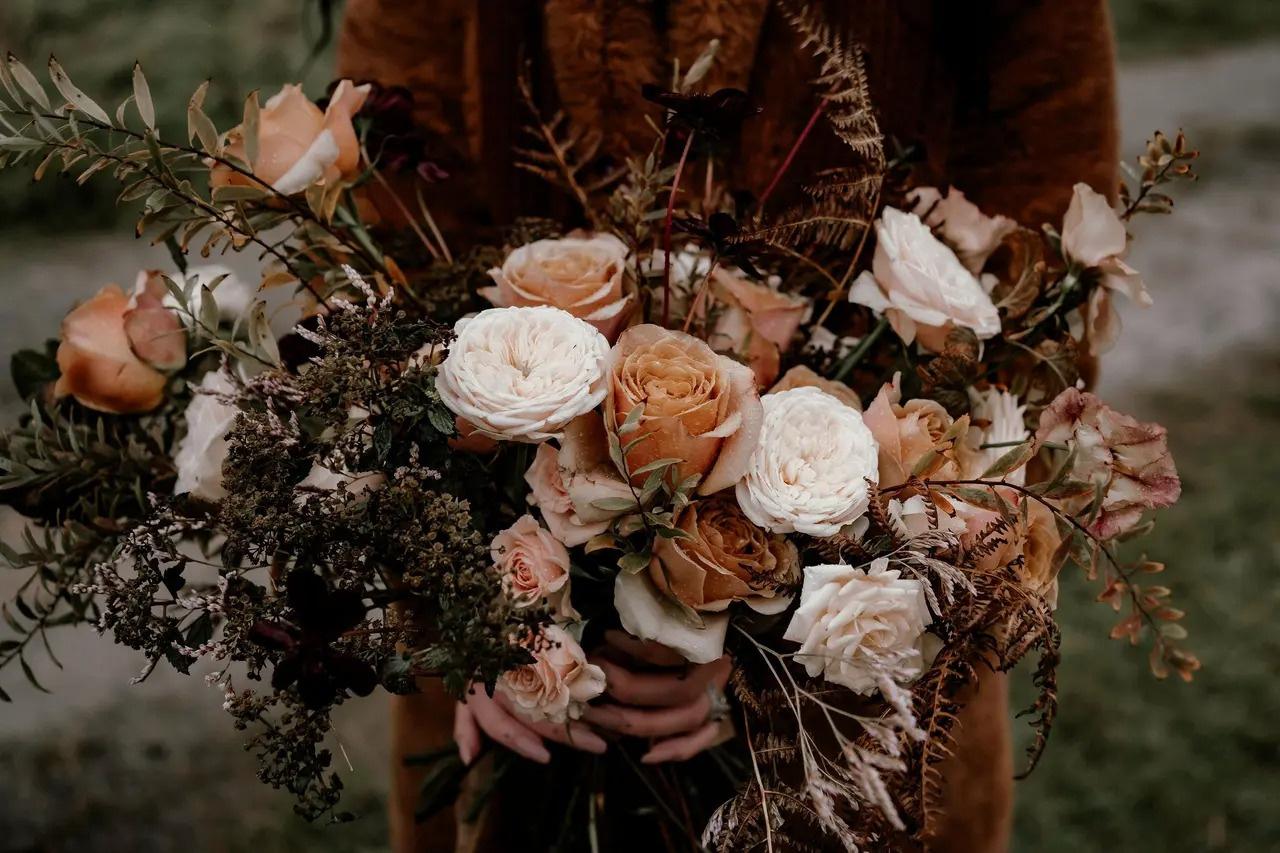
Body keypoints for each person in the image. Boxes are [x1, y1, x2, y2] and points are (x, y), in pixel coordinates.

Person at [335, 1, 1120, 850]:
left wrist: (793, 643)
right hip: (513, 696)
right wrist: (472, 615)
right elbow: (383, 251)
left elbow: (1034, 298)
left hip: (855, 691)